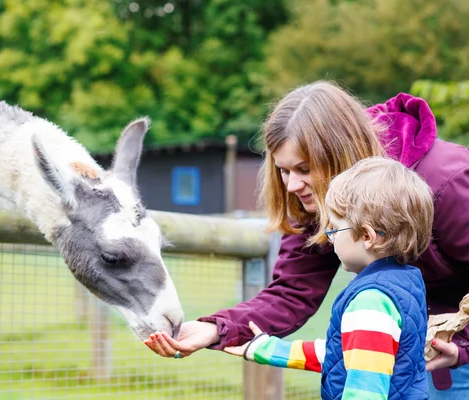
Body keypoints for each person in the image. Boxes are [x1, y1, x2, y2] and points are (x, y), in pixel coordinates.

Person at [143, 80, 469, 399]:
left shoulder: (446, 182)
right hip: (400, 355)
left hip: (449, 355)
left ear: (339, 154)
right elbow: (293, 291)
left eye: (303, 168)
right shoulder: (325, 196)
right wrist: (218, 328)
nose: (291, 186)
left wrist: (463, 344)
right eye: (284, 170)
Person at [222, 156, 432, 399]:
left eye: (334, 228)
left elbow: (366, 391)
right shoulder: (405, 284)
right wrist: (266, 348)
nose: (329, 237)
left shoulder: (371, 302)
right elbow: (342, 354)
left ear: (367, 236)